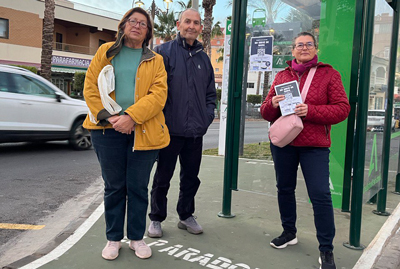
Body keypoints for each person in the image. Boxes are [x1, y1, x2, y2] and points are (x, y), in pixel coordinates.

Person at [82, 7, 169, 260]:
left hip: (143, 130)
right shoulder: (105, 52)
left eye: (143, 24)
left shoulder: (156, 60)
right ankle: (113, 239)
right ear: (123, 25)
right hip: (106, 131)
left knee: (138, 187)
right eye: (133, 21)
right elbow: (90, 87)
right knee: (114, 186)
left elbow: (158, 96)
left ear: (148, 32)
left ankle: (136, 238)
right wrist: (109, 118)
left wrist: (131, 117)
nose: (137, 26)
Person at [260, 32, 350, 269]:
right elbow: (265, 112)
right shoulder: (281, 75)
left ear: (315, 48)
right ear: (293, 50)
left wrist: (309, 111)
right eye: (299, 45)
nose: (304, 48)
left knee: (320, 196)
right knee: (285, 189)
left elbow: (342, 109)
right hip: (285, 144)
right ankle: (289, 233)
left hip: (315, 146)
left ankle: (326, 249)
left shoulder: (329, 74)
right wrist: (273, 104)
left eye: (308, 44)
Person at [147, 8, 217, 238]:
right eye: (188, 21)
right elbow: (151, 91)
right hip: (169, 131)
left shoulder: (204, 59)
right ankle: (156, 218)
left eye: (196, 23)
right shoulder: (162, 53)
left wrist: (206, 118)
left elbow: (210, 95)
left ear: (200, 28)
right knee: (162, 177)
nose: (192, 26)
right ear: (178, 24)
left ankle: (185, 215)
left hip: (195, 132)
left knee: (191, 178)